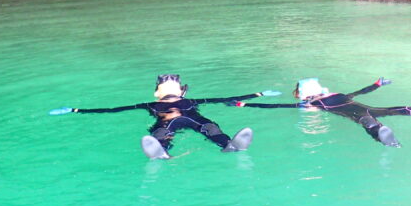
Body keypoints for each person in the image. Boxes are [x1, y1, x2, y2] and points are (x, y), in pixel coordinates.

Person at [49, 74, 281, 159]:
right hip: (167, 122)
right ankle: (162, 152)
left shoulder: (191, 101)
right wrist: (76, 110)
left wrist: (258, 94)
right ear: (156, 93)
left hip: (194, 119)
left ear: (181, 91)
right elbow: (113, 110)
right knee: (161, 133)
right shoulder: (149, 104)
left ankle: (227, 145)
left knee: (210, 127)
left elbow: (224, 98)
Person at [229, 77, 411, 147]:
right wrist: (246, 104)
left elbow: (361, 93)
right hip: (360, 113)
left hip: (368, 108)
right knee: (366, 120)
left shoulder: (327, 97)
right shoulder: (313, 104)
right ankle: (387, 139)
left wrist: (376, 83)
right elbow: (278, 106)